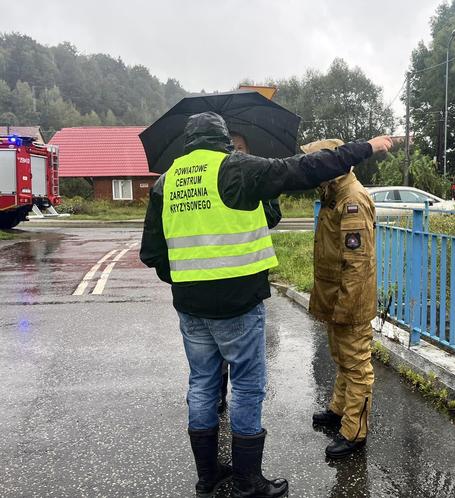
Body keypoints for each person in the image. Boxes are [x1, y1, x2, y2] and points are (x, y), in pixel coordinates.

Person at [140, 112, 393, 498]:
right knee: (245, 388)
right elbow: (306, 168)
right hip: (238, 304)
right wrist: (367, 148)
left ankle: (208, 477)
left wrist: (186, 280)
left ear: (187, 141)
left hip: (190, 307)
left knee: (203, 386)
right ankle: (248, 482)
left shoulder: (166, 181)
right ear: (224, 139)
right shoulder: (236, 169)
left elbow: (152, 253)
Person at [305, 138, 377, 459]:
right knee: (341, 358)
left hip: (350, 300)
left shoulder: (352, 200)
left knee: (357, 363)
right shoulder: (333, 195)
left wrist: (345, 308)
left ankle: (354, 431)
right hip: (336, 297)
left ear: (332, 168)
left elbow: (357, 262)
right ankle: (339, 410)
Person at [215, 132, 282, 416]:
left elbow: (273, 216)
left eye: (241, 148)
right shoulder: (214, 179)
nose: (236, 152)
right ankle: (217, 396)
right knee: (216, 354)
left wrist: (255, 197)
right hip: (214, 277)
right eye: (231, 148)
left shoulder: (258, 178)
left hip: (245, 279)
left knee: (244, 360)